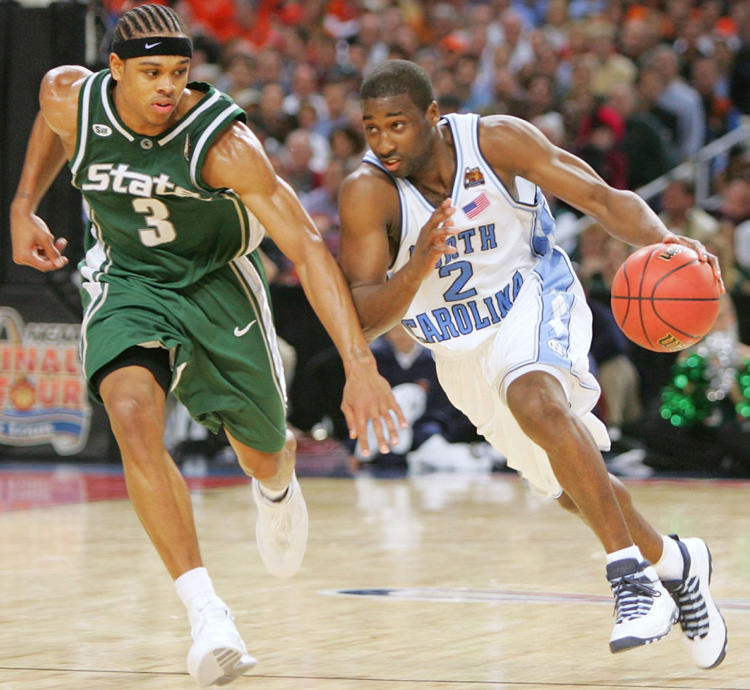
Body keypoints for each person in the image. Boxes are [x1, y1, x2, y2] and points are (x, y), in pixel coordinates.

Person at [9, 6, 406, 688]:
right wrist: (23, 206)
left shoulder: (223, 145)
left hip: (216, 284)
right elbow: (53, 126)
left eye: (180, 73)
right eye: (152, 73)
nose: (168, 88)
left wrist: (360, 364)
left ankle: (276, 481)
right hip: (129, 277)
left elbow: (308, 250)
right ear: (115, 71)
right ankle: (208, 614)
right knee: (132, 413)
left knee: (260, 451)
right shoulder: (67, 94)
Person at [338, 59, 728, 668]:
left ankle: (630, 578)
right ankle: (677, 562)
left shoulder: (493, 141)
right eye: (372, 128)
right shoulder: (367, 192)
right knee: (568, 485)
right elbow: (361, 316)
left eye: (398, 125)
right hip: (458, 350)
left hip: (532, 294)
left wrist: (663, 240)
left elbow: (600, 197)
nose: (385, 142)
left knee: (534, 398)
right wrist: (416, 265)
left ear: (433, 118)